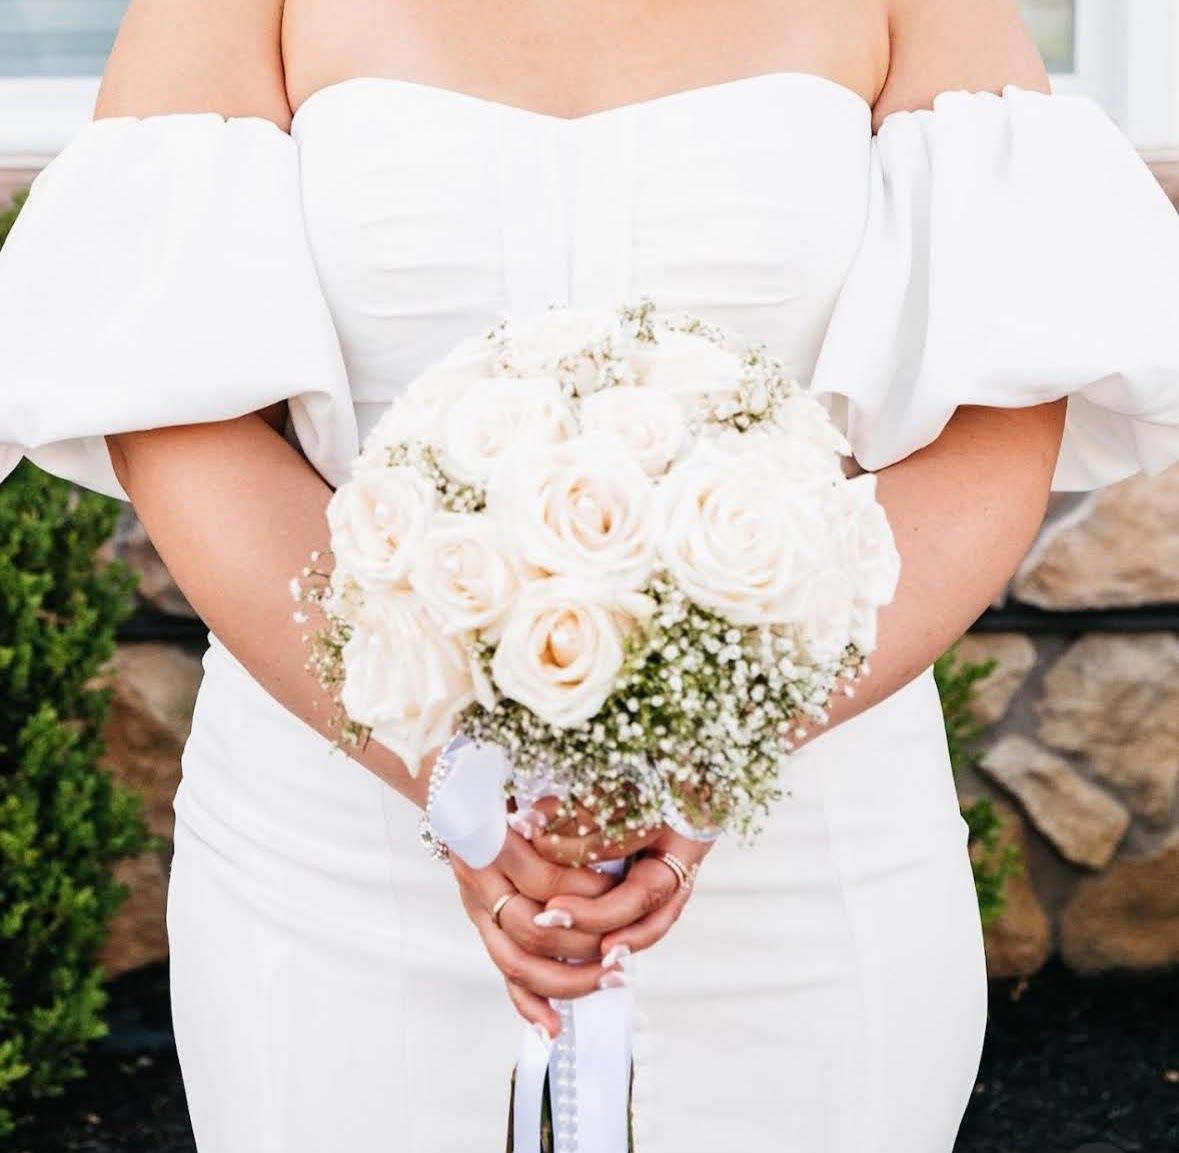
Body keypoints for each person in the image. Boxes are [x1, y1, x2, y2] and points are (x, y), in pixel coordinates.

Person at [2, 1, 1178, 1149]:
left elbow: (1002, 400)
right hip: (337, 822)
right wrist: (454, 781)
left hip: (806, 816)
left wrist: (719, 748)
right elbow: (183, 415)